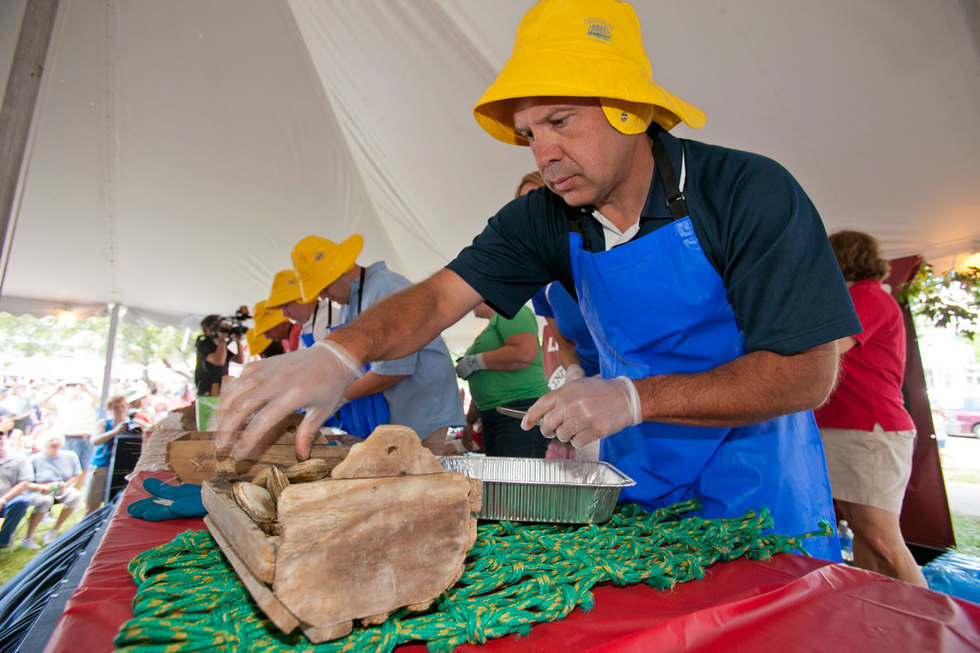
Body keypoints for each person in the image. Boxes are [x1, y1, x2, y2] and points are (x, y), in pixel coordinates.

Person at [218, 0, 860, 560]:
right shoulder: (545, 219)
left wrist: (635, 399)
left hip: (759, 479)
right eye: (529, 133)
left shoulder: (747, 193)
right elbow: (442, 295)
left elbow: (807, 373)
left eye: (560, 121)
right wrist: (341, 351)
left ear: (630, 112)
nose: (542, 153)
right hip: (635, 479)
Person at [814, 230, 928, 586]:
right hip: (851, 428)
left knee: (881, 537)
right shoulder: (860, 297)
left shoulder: (866, 297)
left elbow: (829, 348)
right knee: (864, 533)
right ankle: (879, 614)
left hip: (869, 430)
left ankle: (934, 627)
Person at [290, 234, 465, 452]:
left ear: (340, 270)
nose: (324, 297)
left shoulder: (386, 288)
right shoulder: (350, 300)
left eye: (324, 288)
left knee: (418, 481)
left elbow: (394, 371)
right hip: (398, 412)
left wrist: (337, 397)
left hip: (422, 410)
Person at [520, 170, 602, 460]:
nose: (530, 215)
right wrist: (574, 375)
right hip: (589, 400)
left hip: (638, 389)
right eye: (522, 207)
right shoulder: (541, 284)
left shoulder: (600, 252)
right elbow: (565, 346)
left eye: (538, 202)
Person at [457, 303, 551, 457]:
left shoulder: (513, 311)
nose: (470, 303)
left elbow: (524, 352)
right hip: (493, 414)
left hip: (518, 410)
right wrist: (469, 421)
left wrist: (474, 362)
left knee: (516, 479)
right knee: (499, 479)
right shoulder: (492, 326)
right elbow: (489, 381)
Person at [84, 395, 142, 515]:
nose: (119, 410)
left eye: (122, 406)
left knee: (115, 503)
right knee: (92, 505)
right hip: (102, 465)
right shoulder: (104, 423)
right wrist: (114, 432)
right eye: (116, 407)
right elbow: (95, 441)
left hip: (122, 466)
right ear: (110, 408)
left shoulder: (133, 423)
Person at [25, 431, 82, 545]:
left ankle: (54, 530)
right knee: (45, 500)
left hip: (61, 490)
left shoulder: (70, 455)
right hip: (39, 491)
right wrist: (42, 487)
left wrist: (65, 485)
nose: (55, 443)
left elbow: (75, 475)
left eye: (57, 440)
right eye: (51, 441)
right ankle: (28, 537)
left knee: (75, 495)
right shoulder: (34, 459)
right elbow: (26, 483)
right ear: (44, 444)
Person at [0, 431, 48, 552]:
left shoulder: (17, 458)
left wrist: (3, 499)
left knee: (21, 502)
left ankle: (2, 540)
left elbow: (24, 483)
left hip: (10, 499)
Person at [266, 269, 330, 349]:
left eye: (285, 306)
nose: (284, 314)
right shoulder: (307, 326)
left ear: (302, 298)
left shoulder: (328, 319)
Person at [194, 315, 245, 396]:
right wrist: (222, 339)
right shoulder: (203, 343)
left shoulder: (221, 345)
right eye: (215, 325)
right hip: (207, 392)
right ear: (207, 328)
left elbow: (239, 360)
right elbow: (218, 361)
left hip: (222, 390)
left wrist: (237, 341)